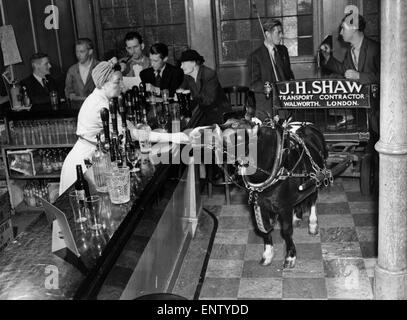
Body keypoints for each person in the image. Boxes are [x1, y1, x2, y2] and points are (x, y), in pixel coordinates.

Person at [59, 58, 190, 195]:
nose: (122, 85)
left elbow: (125, 124)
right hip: (86, 161)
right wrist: (173, 136)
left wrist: (141, 128)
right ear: (104, 83)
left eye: (122, 80)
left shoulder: (103, 98)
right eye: (117, 82)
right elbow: (130, 134)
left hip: (96, 156)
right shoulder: (100, 105)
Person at [247, 19, 295, 120]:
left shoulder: (283, 51)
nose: (281, 36)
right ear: (268, 34)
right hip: (266, 108)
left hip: (285, 105)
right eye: (278, 32)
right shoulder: (255, 56)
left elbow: (289, 74)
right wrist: (268, 87)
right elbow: (253, 84)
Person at [319, 13, 380, 85]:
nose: (341, 33)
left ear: (353, 28)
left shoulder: (375, 48)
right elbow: (345, 71)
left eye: (343, 28)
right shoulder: (351, 49)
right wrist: (327, 56)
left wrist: (359, 76)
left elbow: (387, 76)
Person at [179, 49, 231, 125]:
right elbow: (181, 89)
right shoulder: (187, 76)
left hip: (218, 113)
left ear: (193, 63)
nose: (181, 66)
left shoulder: (209, 74)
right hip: (202, 112)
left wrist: (191, 97)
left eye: (183, 63)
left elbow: (209, 100)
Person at [65, 38, 99, 109]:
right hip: (78, 109)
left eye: (82, 52)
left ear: (90, 52)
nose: (78, 55)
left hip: (96, 107)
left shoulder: (99, 67)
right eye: (77, 52)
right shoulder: (72, 70)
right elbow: (68, 92)